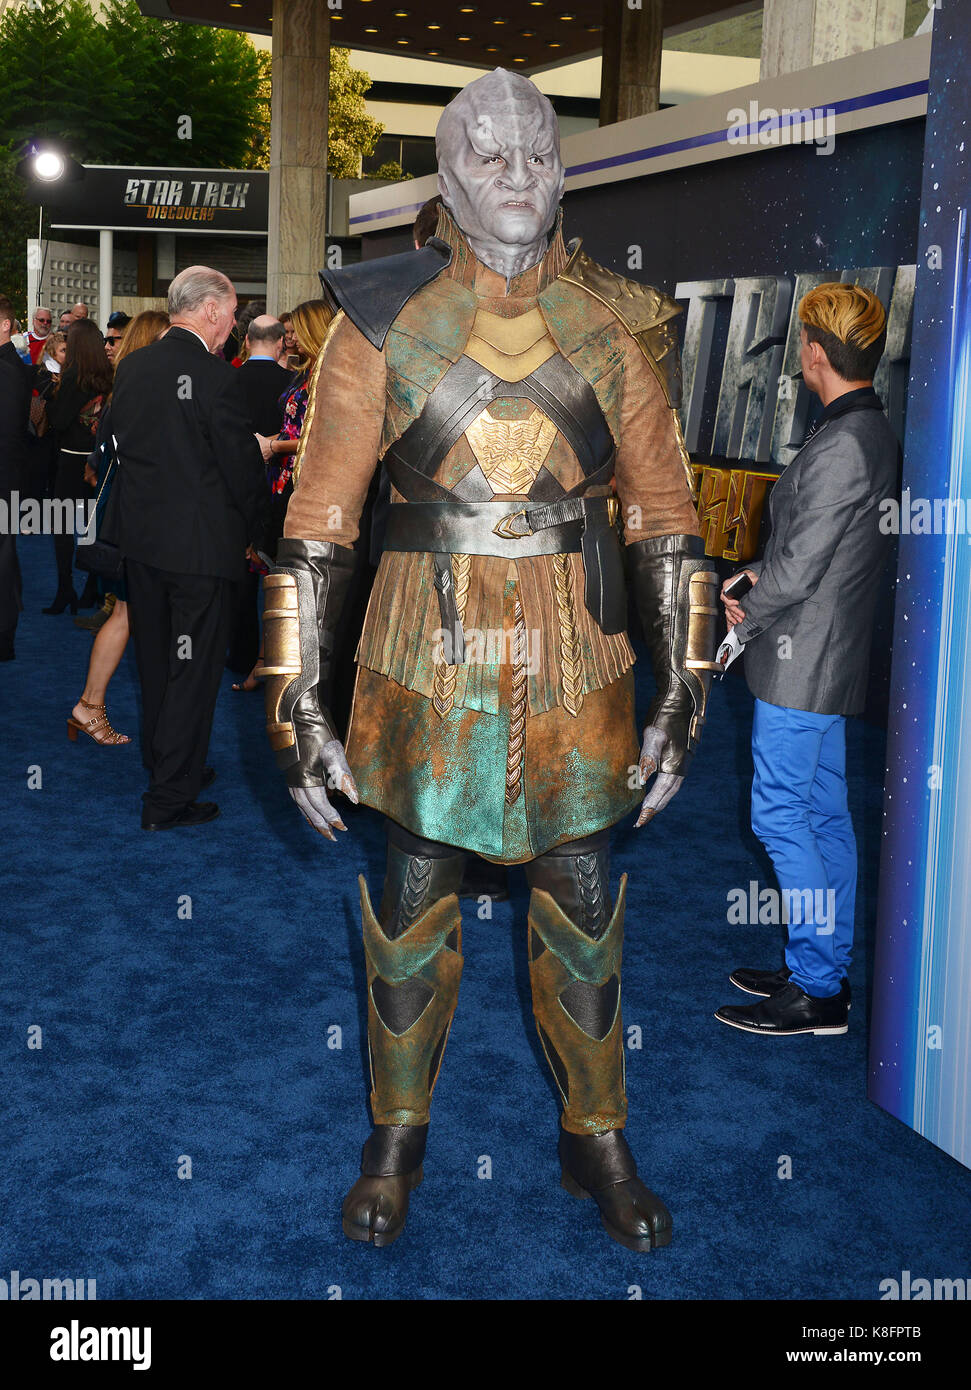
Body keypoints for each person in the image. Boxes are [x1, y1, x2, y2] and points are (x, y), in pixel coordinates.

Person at [261, 69, 719, 1252]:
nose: (514, 175)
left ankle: (595, 1137)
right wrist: (294, 703)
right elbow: (317, 527)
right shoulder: (376, 325)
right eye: (486, 155)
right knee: (412, 902)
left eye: (534, 152)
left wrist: (684, 685)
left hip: (580, 658)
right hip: (424, 656)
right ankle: (397, 1136)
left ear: (561, 168)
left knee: (580, 903)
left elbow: (668, 520)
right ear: (447, 178)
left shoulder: (620, 323)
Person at [714, 283, 898, 1038]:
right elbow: (811, 554)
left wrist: (745, 616)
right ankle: (817, 966)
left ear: (814, 354)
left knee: (783, 815)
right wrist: (764, 572)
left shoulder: (846, 441)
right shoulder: (866, 432)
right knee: (822, 818)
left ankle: (818, 986)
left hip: (802, 664)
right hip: (823, 658)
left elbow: (796, 573)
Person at [110, 266, 264, 830]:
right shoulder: (216, 376)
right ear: (212, 312)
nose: (232, 326)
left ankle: (171, 767)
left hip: (143, 545)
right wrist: (260, 530)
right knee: (192, 673)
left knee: (157, 664)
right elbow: (241, 470)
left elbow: (115, 446)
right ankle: (168, 799)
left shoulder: (133, 365)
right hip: (200, 554)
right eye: (230, 315)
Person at [67, 310, 170, 745]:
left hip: (123, 514)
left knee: (127, 613)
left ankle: (90, 705)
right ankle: (90, 705)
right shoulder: (137, 390)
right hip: (133, 518)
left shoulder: (124, 387)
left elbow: (100, 461)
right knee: (127, 614)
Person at [227, 315, 293, 683]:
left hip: (235, 486)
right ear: (281, 342)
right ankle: (274, 657)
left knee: (238, 575)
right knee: (277, 572)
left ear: (248, 340)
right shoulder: (292, 384)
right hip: (279, 488)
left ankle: (239, 653)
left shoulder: (229, 380)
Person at [43, 319, 113, 614]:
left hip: (72, 458)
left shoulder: (72, 377)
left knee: (61, 526)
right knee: (93, 528)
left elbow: (58, 422)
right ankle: (90, 590)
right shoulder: (110, 376)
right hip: (101, 460)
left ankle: (65, 588)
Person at [0, 294, 31, 659]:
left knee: (4, 560)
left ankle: (4, 638)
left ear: (6, 325)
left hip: (4, 482)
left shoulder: (8, 371)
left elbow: (8, 438)